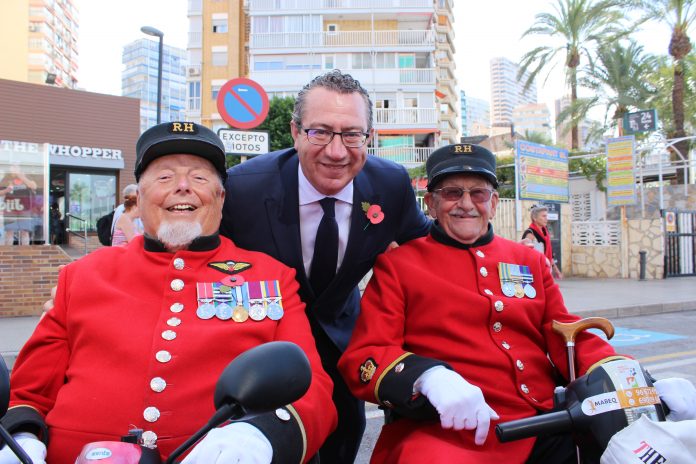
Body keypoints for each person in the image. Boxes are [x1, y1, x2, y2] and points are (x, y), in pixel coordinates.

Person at [336, 143, 696, 463]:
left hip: (547, 423)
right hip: (447, 431)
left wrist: (633, 379)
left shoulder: (529, 261)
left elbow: (563, 332)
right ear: (430, 203)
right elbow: (366, 354)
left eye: (478, 193)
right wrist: (427, 377)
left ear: (493, 202)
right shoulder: (399, 266)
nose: (465, 204)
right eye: (451, 192)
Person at [0, 122, 336, 464]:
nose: (183, 187)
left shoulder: (271, 278)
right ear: (139, 197)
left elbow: (311, 390)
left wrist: (260, 436)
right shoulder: (81, 276)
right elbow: (27, 392)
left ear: (221, 198)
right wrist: (21, 438)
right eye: (164, 177)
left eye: (200, 178)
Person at [221, 69, 431, 463]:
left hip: (343, 346)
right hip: (265, 351)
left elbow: (427, 249)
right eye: (320, 132)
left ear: (369, 136)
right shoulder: (243, 188)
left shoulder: (391, 183)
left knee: (344, 440)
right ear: (295, 131)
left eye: (352, 134)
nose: (337, 151)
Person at [1, 164, 38, 245]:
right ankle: (8, 254)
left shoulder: (26, 176)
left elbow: (34, 186)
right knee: (9, 231)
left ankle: (25, 252)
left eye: (16, 167)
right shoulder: (7, 178)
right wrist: (6, 190)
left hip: (25, 208)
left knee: (24, 231)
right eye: (12, 167)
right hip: (10, 207)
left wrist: (22, 177)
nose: (14, 169)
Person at [522, 204, 562, 279]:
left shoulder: (545, 233)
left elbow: (549, 256)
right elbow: (526, 257)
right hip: (535, 273)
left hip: (546, 271)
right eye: (543, 216)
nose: (546, 219)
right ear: (534, 218)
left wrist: (556, 271)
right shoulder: (530, 234)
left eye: (546, 216)